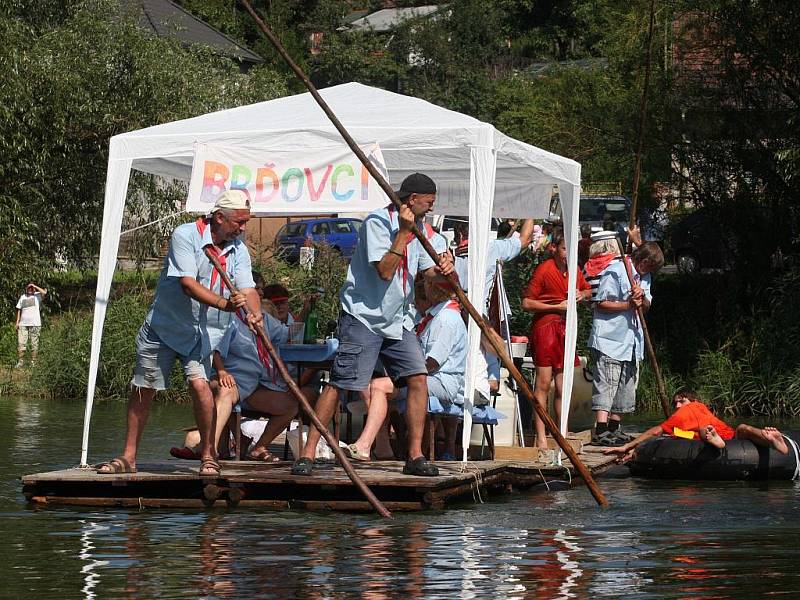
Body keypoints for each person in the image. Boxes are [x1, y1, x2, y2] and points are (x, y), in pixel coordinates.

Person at [291, 172, 454, 477]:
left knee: (418, 378)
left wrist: (444, 268)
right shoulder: (378, 224)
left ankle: (415, 456)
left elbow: (429, 274)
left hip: (398, 320)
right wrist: (403, 234)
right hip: (364, 316)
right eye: (428, 202)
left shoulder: (422, 230)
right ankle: (309, 453)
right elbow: (384, 270)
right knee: (342, 383)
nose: (431, 208)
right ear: (412, 200)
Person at [98, 189, 261, 476]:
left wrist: (255, 313)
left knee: (200, 386)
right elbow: (188, 284)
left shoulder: (238, 248)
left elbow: (248, 289)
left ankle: (209, 454)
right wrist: (225, 304)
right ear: (220, 218)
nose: (243, 228)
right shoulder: (186, 235)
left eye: (245, 222)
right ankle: (129, 456)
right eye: (239, 222)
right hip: (165, 327)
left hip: (202, 332)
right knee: (144, 388)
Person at [210, 306, 317, 462]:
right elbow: (214, 348)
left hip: (257, 383)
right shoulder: (227, 317)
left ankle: (259, 447)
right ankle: (213, 450)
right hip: (236, 380)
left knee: (291, 405)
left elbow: (289, 334)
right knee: (222, 391)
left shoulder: (263, 318)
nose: (258, 293)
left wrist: (306, 309)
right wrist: (221, 371)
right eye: (255, 289)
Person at [588, 239, 664, 446]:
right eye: (648, 265)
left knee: (626, 382)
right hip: (610, 337)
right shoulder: (617, 270)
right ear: (642, 259)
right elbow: (600, 303)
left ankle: (615, 426)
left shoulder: (645, 276)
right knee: (608, 382)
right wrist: (627, 304)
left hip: (632, 339)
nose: (648, 270)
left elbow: (647, 305)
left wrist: (642, 301)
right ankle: (601, 428)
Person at [522, 228, 592, 449]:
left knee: (564, 385)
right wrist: (554, 306)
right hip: (546, 328)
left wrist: (582, 294)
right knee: (543, 383)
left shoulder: (574, 270)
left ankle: (562, 432)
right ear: (553, 248)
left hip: (565, 328)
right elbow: (527, 303)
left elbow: (588, 289)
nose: (567, 254)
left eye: (570, 250)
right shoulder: (545, 270)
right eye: (563, 249)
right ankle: (541, 437)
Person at [604, 389, 789, 458]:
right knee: (743, 428)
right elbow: (673, 436)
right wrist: (637, 452)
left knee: (704, 431)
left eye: (681, 401)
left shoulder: (689, 410)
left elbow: (655, 432)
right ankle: (770, 439)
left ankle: (715, 440)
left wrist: (628, 446)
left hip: (714, 435)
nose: (678, 405)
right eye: (675, 402)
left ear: (691, 401)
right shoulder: (699, 412)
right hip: (730, 435)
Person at [15, 283, 47, 368]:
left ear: (34, 289)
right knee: (21, 343)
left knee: (34, 344)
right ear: (26, 288)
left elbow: (44, 292)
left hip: (35, 323)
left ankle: (33, 362)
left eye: (31, 288)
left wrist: (35, 286)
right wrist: (17, 322)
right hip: (23, 324)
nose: (30, 289)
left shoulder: (37, 296)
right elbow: (19, 309)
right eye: (29, 288)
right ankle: (20, 362)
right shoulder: (22, 297)